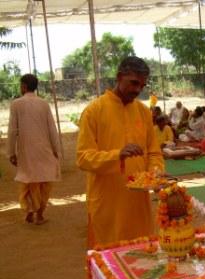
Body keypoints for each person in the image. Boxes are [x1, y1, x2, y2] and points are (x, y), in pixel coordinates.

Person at [77, 56, 164, 248]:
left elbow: (154, 153)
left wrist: (155, 173)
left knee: (142, 257)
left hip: (137, 204)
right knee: (111, 262)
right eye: (133, 83)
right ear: (118, 77)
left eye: (142, 85)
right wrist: (118, 155)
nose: (138, 90)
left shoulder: (143, 112)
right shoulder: (94, 111)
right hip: (108, 203)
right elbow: (83, 158)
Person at [7, 74, 61, 225]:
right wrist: (56, 149)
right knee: (44, 182)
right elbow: (52, 128)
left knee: (27, 182)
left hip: (26, 151)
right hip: (44, 149)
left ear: (24, 86)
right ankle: (40, 214)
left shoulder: (16, 104)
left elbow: (12, 131)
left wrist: (11, 152)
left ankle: (29, 211)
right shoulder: (44, 104)